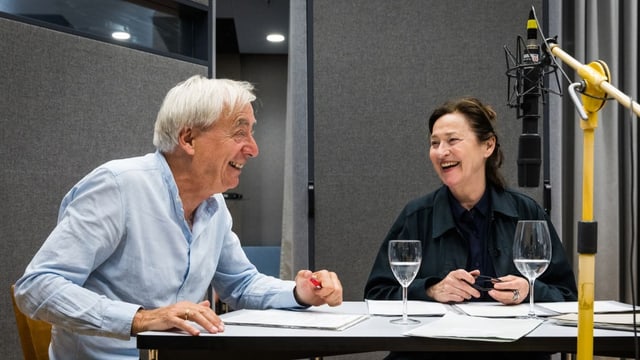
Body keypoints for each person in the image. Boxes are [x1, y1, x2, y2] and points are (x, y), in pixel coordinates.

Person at [14, 75, 343, 360]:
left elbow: (241, 284)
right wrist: (142, 319)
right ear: (188, 139)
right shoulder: (118, 186)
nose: (253, 148)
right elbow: (37, 287)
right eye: (240, 133)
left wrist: (299, 293)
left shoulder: (213, 204)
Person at [364, 97, 577, 360]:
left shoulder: (525, 213)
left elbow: (567, 298)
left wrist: (528, 290)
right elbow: (376, 296)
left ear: (488, 145)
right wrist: (430, 290)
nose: (441, 151)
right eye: (434, 143)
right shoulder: (416, 216)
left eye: (453, 140)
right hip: (432, 354)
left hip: (513, 353)